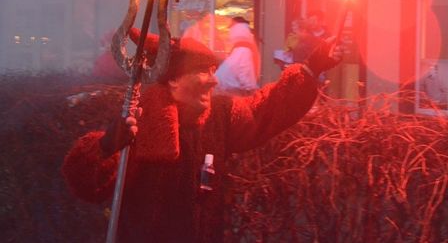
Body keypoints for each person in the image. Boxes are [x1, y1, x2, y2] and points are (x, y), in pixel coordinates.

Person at [62, 27, 343, 243]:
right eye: (202, 71)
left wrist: (311, 67)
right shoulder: (141, 123)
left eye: (212, 70)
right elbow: (85, 182)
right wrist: (107, 146)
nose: (215, 79)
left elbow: (264, 112)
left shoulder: (220, 116)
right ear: (172, 79)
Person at [215, 17, 260, 96]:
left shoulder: (237, 50)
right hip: (230, 92)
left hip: (222, 90)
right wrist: (251, 91)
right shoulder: (244, 50)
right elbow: (244, 71)